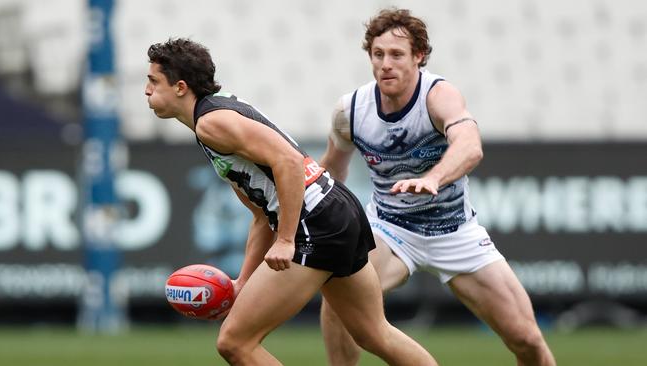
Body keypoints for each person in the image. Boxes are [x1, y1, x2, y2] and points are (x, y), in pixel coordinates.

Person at [145, 38, 438, 366]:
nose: (146, 90)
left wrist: (286, 239)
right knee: (373, 333)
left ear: (181, 87)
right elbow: (260, 216)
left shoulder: (212, 123)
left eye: (153, 81)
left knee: (235, 342)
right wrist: (243, 280)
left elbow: (288, 161)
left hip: (316, 221)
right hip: (339, 209)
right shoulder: (214, 116)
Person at [319, 8, 557, 366]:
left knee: (527, 340)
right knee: (339, 296)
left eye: (397, 55)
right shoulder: (351, 111)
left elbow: (470, 145)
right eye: (378, 54)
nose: (386, 64)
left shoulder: (438, 95)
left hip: (455, 232)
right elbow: (332, 170)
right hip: (390, 229)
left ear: (419, 57)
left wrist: (432, 178)